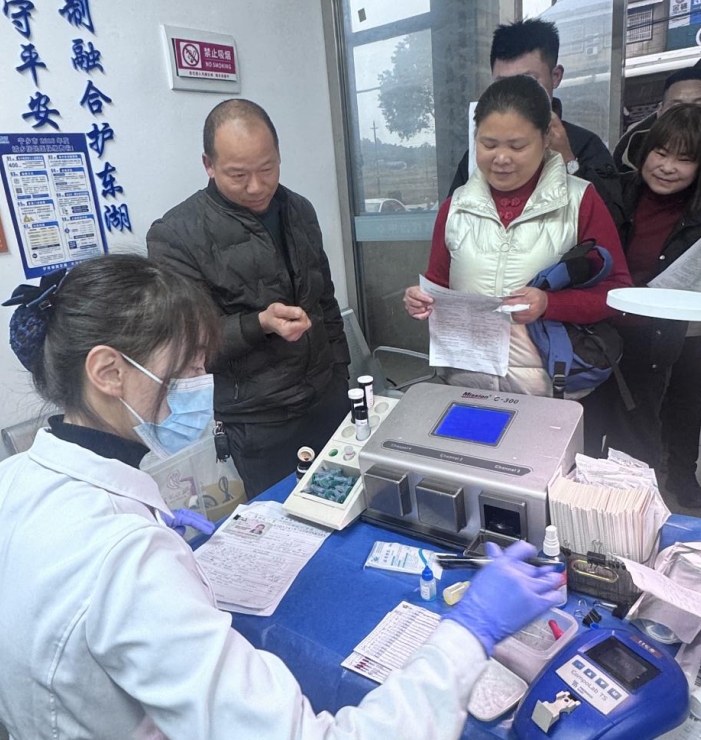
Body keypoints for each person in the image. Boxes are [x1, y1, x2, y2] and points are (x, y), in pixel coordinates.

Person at [0, 254, 563, 740]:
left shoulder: (16, 476)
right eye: (184, 366)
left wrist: (150, 528)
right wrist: (471, 631)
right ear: (108, 372)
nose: (200, 381)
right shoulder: (128, 561)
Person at [147, 99, 350, 498]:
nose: (257, 187)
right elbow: (189, 346)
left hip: (327, 398)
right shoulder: (176, 235)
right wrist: (259, 324)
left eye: (267, 169)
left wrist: (341, 375)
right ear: (208, 164)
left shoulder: (299, 210)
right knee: (284, 520)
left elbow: (324, 300)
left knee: (348, 501)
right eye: (238, 175)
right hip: (259, 421)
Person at [404, 76, 630, 412]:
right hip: (467, 387)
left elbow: (617, 291)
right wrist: (420, 300)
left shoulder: (580, 200)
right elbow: (439, 283)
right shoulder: (456, 206)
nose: (501, 158)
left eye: (517, 146)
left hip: (548, 392)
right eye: (488, 144)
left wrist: (549, 304)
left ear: (546, 138)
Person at [604, 104, 701, 507]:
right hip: (598, 334)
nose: (667, 167)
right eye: (661, 152)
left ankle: (630, 515)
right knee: (589, 430)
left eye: (684, 159)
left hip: (653, 342)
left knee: (636, 438)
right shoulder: (615, 192)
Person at [448, 18, 624, 229]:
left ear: (555, 76)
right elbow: (452, 222)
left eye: (529, 81)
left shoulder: (585, 144)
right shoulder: (478, 153)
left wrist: (568, 161)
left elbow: (614, 226)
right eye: (503, 84)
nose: (515, 94)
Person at [613, 66, 701, 174]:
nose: (687, 113)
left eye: (698, 105)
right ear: (660, 111)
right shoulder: (631, 153)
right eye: (677, 106)